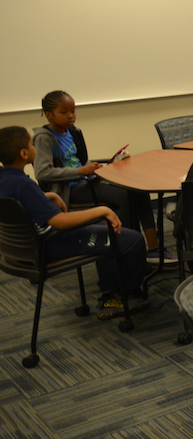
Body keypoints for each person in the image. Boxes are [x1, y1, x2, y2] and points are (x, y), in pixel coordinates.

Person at [0, 125, 150, 317]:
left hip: (22, 249)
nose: (34, 148)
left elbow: (21, 202)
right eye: (31, 144)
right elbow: (60, 222)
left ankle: (109, 292)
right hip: (51, 243)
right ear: (23, 153)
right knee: (133, 240)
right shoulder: (24, 183)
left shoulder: (7, 179)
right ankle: (130, 296)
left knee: (104, 230)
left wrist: (49, 196)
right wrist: (102, 210)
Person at [33, 90, 159, 254]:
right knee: (125, 196)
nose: (71, 116)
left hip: (85, 181)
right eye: (64, 112)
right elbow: (43, 173)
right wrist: (80, 171)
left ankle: (154, 248)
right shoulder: (44, 138)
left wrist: (94, 169)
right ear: (49, 115)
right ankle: (128, 249)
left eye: (73, 111)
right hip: (68, 190)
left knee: (139, 190)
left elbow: (80, 161)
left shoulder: (73, 132)